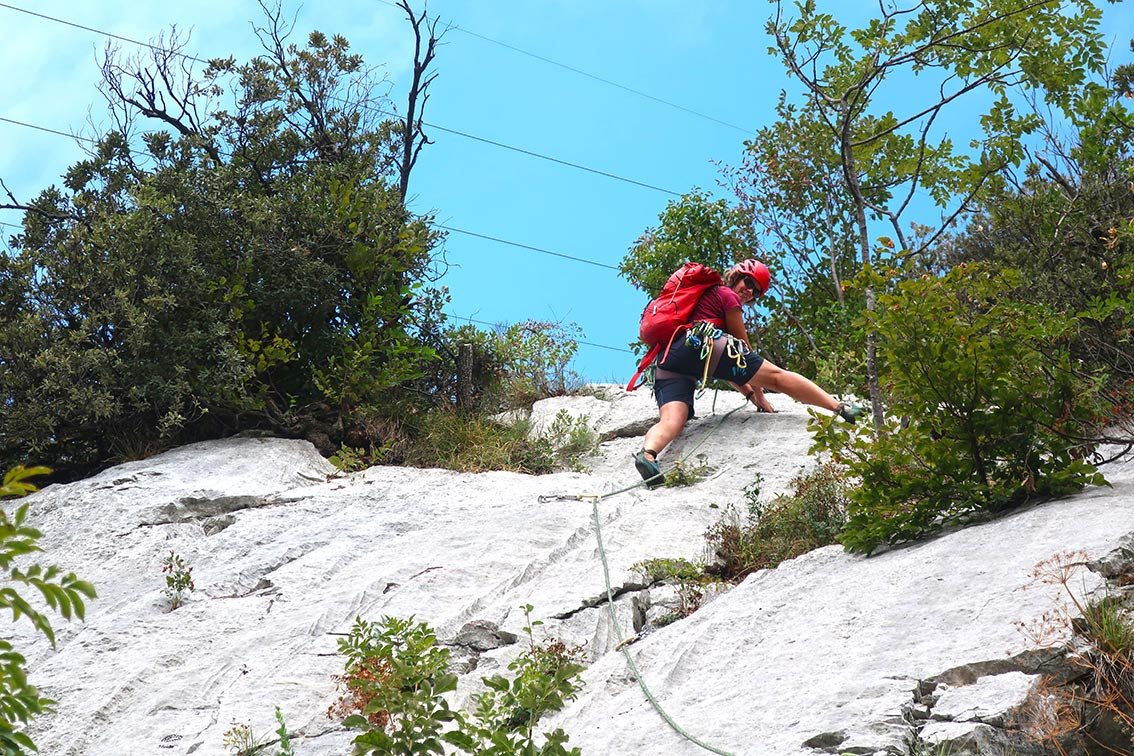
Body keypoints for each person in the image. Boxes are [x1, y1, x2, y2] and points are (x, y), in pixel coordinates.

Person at [633, 259, 865, 488]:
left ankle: (648, 455)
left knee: (673, 420)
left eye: (756, 291)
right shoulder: (726, 295)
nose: (750, 291)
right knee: (777, 377)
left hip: (669, 360)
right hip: (703, 344)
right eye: (749, 282)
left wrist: (751, 395)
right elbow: (741, 348)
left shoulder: (704, 297)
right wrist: (760, 395)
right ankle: (840, 407)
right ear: (736, 277)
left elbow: (728, 369)